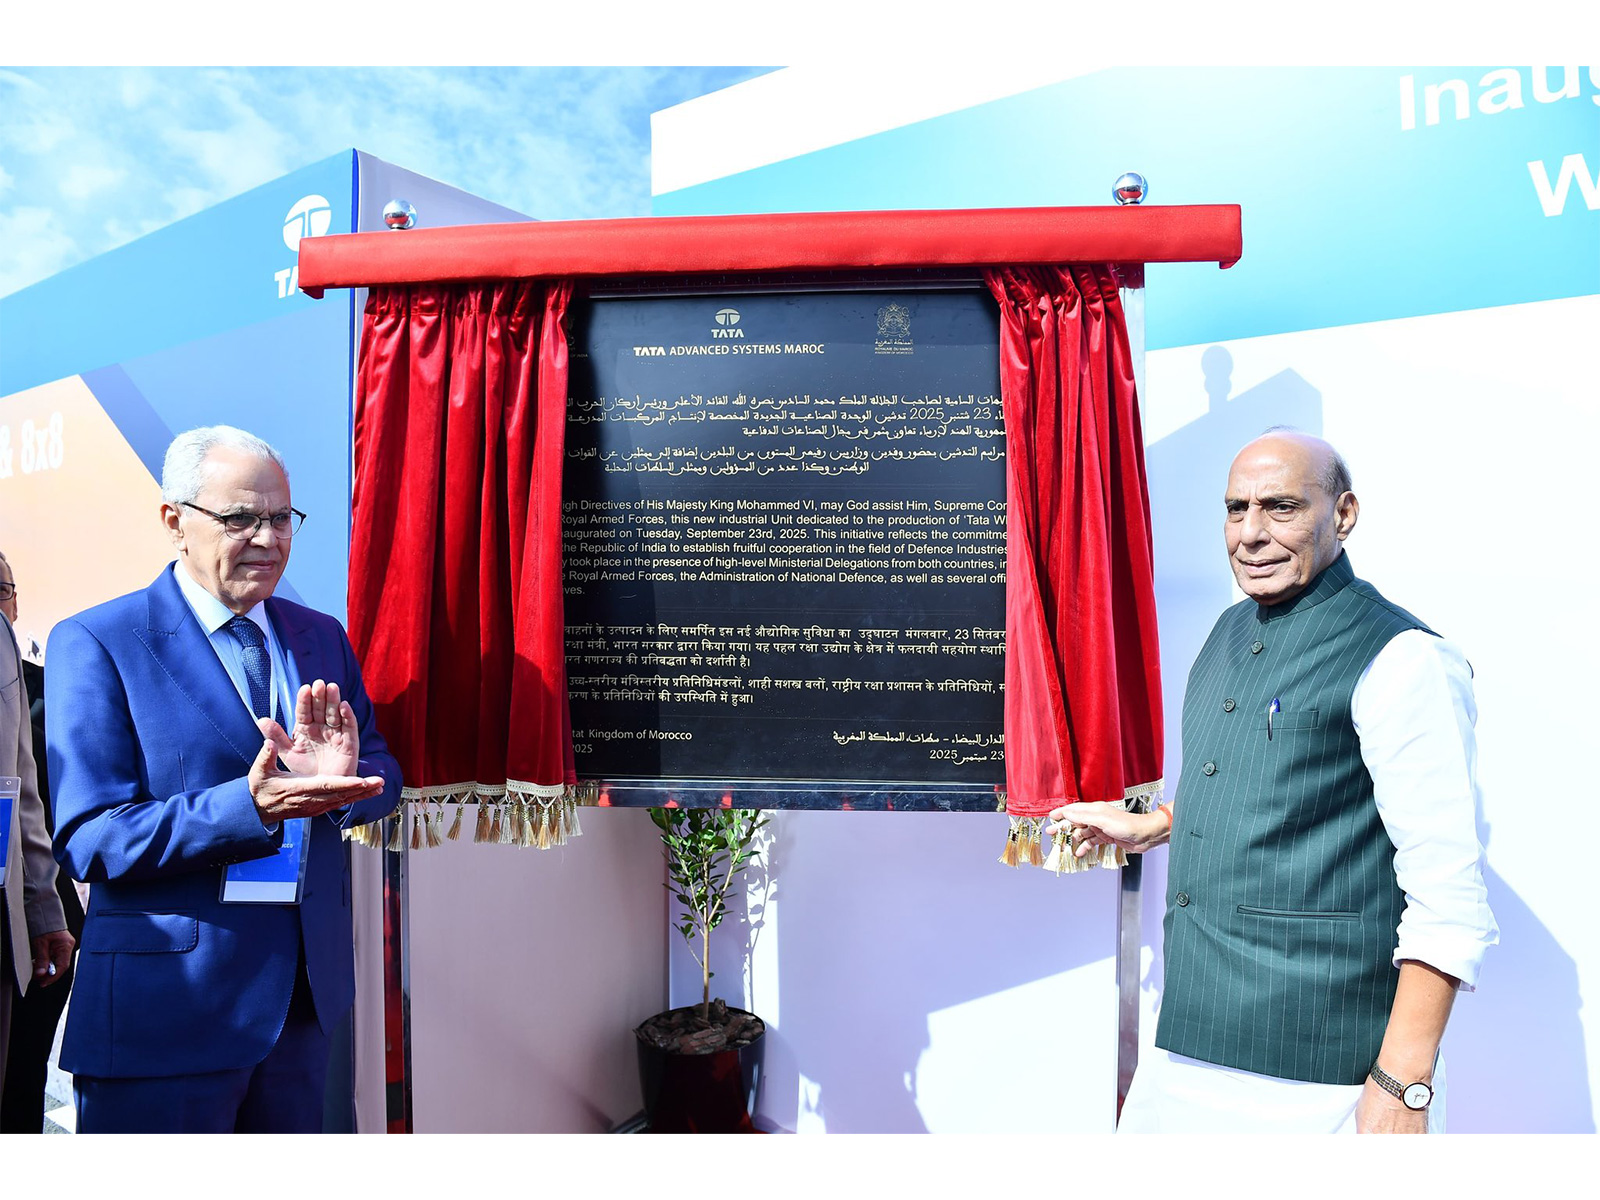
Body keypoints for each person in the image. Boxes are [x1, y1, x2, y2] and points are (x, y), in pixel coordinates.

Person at [1052, 430, 1496, 1134]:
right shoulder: (1228, 630)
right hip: (1185, 1054)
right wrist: (1158, 821)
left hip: (1324, 1081)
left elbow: (1448, 894)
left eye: (1280, 507)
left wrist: (1402, 1086)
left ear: (1343, 514)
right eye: (1236, 509)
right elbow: (1286, 784)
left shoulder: (1406, 658)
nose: (1250, 534)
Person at [46, 425, 401, 1133]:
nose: (268, 539)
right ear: (174, 521)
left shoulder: (319, 634)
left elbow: (383, 769)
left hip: (302, 1010)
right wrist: (253, 806)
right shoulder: (98, 641)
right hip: (165, 1018)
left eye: (280, 518)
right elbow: (89, 838)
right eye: (241, 518)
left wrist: (343, 785)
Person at [0, 551, 85, 1133]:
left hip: (24, 919)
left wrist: (43, 910)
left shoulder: (39, 691)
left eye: (0, 588)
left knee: (18, 1089)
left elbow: (28, 796)